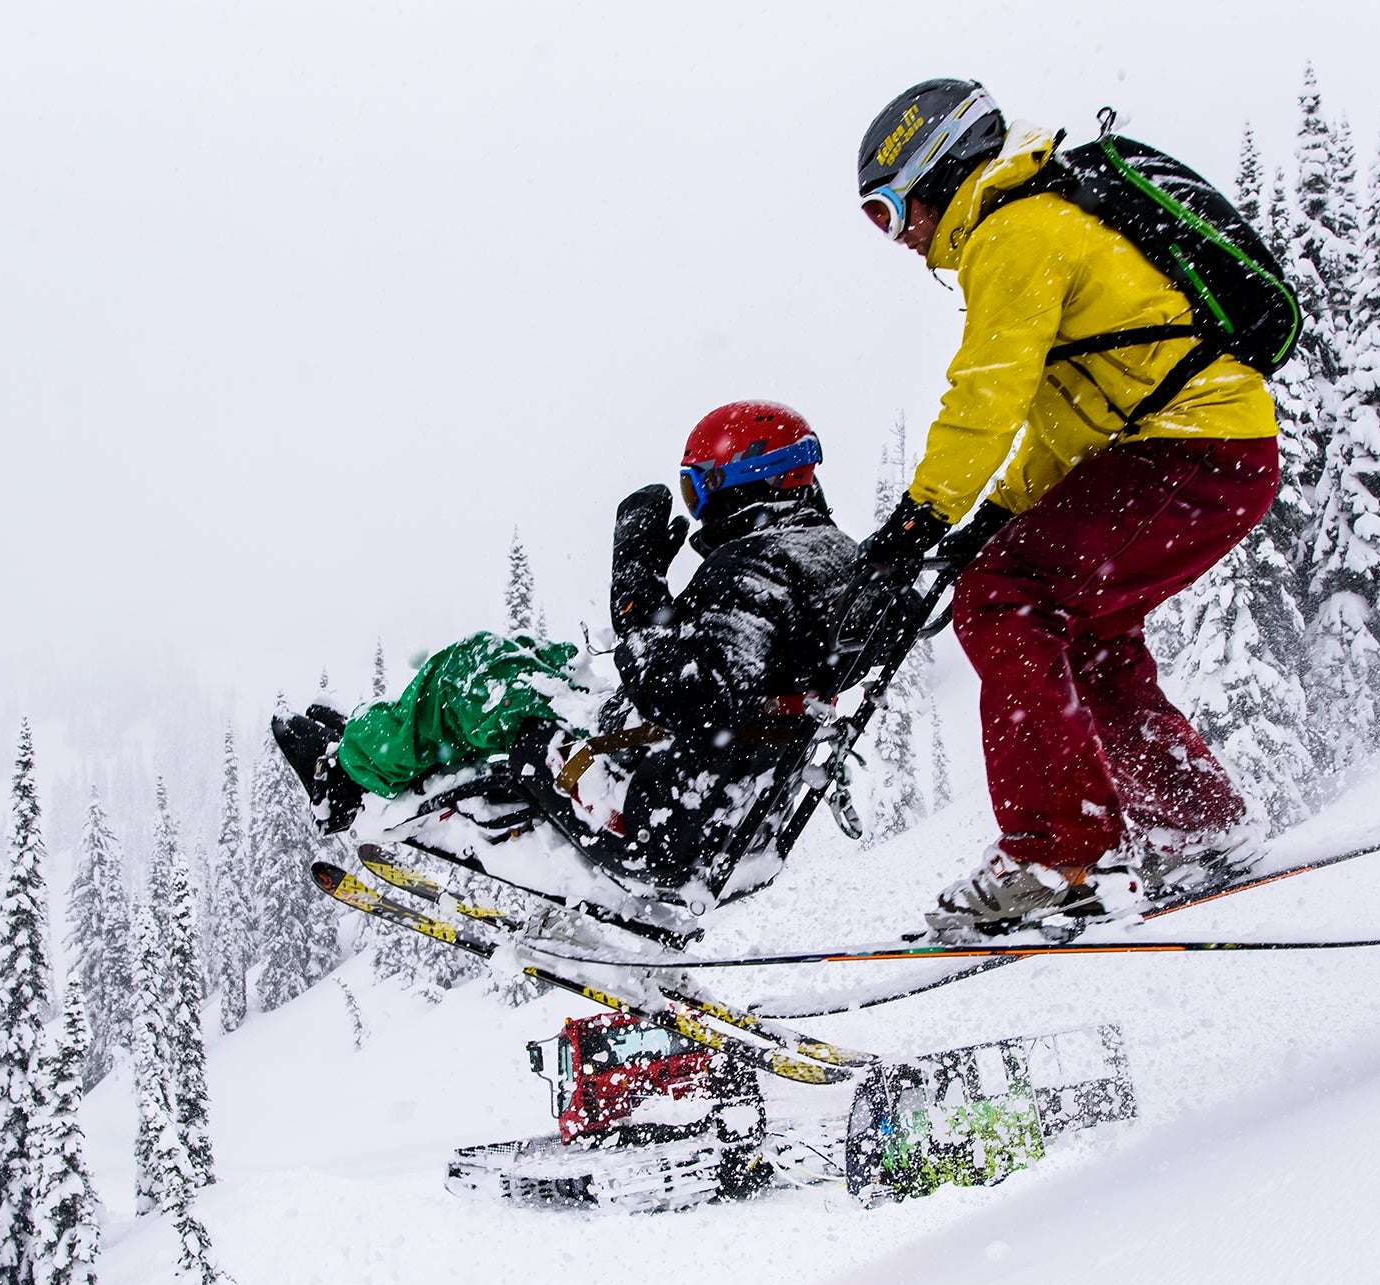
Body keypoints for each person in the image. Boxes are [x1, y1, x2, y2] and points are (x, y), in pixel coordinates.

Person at [848, 78, 1282, 936]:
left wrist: (920, 521)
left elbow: (986, 396)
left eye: (889, 213)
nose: (898, 240)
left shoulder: (1014, 229)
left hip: (1190, 450)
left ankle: (1056, 855)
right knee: (1083, 636)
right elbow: (1067, 415)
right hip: (1205, 452)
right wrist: (992, 516)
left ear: (936, 170)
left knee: (1003, 600)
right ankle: (1194, 826)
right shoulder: (1039, 222)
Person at [273, 400, 856, 890]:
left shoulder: (758, 571)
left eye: (696, 485)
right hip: (705, 786)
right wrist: (654, 597)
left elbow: (691, 698)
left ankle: (341, 776)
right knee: (542, 661)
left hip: (652, 814)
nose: (695, 505)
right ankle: (372, 737)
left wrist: (635, 585)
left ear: (740, 481)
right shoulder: (824, 557)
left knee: (474, 676)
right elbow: (737, 675)